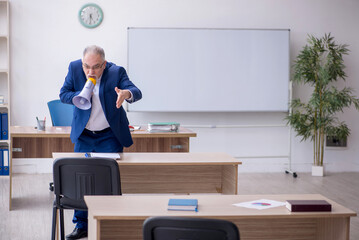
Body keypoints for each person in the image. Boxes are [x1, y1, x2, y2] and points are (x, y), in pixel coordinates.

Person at [59, 45, 142, 239]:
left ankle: (108, 221)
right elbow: (63, 94)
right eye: (86, 66)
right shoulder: (74, 68)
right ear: (82, 63)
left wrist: (126, 94)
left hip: (109, 135)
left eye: (96, 67)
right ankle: (81, 225)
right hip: (84, 135)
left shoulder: (116, 72)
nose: (90, 71)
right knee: (82, 179)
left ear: (104, 64)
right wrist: (79, 95)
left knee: (107, 179)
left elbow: (136, 91)